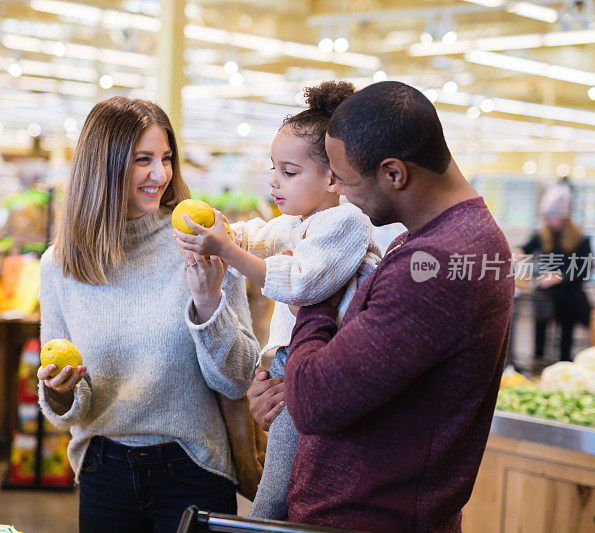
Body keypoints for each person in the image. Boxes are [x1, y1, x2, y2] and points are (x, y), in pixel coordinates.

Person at [247, 81, 515, 532]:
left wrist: (315, 298)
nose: (343, 195)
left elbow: (316, 403)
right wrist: (287, 380)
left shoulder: (436, 265)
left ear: (394, 173)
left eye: (346, 181)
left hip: (366, 517)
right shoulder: (442, 239)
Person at [36, 96, 259, 533]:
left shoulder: (202, 240)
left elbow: (237, 378)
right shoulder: (61, 264)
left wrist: (210, 302)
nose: (162, 175)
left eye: (166, 158)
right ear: (104, 165)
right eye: (143, 160)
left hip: (193, 466)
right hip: (104, 471)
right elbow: (68, 405)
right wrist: (59, 393)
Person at [174, 81, 381, 520]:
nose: (273, 181)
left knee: (275, 495)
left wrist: (226, 251)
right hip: (292, 366)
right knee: (287, 483)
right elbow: (257, 237)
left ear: (332, 177)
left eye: (288, 172)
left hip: (318, 368)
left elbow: (298, 285)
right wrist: (224, 229)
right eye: (273, 168)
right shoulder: (296, 223)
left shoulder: (345, 223)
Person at [521, 182, 592, 364]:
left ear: (565, 216)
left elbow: (585, 268)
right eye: (548, 217)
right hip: (545, 294)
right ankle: (537, 364)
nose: (551, 222)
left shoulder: (580, 239)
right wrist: (517, 251)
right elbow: (526, 247)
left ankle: (564, 365)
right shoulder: (543, 234)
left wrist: (559, 276)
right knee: (539, 329)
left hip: (569, 295)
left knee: (566, 334)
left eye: (555, 217)